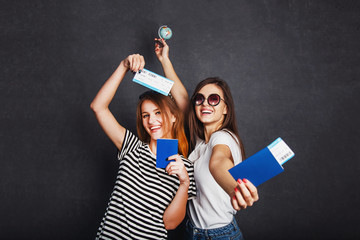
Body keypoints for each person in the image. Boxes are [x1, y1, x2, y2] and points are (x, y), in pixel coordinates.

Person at [155, 38, 259, 240]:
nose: (205, 104)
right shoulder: (201, 141)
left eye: (214, 99)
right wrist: (164, 59)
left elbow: (218, 162)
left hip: (219, 236)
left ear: (225, 108)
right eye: (200, 99)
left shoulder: (224, 137)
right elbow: (182, 98)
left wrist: (235, 189)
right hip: (191, 231)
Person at [90, 53, 196, 240]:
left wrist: (184, 183)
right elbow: (98, 107)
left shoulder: (186, 167)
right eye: (145, 115)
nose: (152, 120)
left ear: (173, 116)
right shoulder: (131, 147)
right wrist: (124, 65)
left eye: (158, 112)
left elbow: (170, 224)